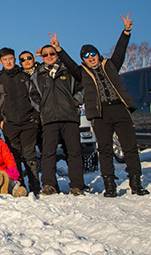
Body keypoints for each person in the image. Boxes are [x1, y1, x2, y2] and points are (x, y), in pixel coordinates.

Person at [50, 13, 148, 197]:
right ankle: (109, 185)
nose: (90, 57)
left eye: (92, 53)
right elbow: (70, 64)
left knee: (130, 147)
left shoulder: (110, 65)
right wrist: (59, 49)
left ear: (97, 54)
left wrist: (126, 31)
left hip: (119, 110)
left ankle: (136, 183)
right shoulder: (82, 73)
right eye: (86, 56)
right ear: (83, 60)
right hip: (99, 114)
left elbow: (120, 50)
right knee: (104, 150)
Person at [29, 45, 86, 195]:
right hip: (49, 119)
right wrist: (42, 108)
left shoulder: (68, 70)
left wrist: (76, 101)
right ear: (41, 57)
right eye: (45, 54)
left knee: (74, 152)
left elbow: (83, 86)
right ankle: (49, 184)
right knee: (48, 153)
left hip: (69, 117)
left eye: (52, 53)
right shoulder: (38, 74)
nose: (49, 56)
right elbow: (33, 94)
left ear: (57, 54)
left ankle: (77, 185)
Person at [0, 47, 40, 195]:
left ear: (14, 59)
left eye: (10, 59)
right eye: (5, 60)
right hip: (9, 123)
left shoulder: (24, 76)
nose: (8, 62)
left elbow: (34, 96)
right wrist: (0, 120)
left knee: (30, 154)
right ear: (0, 61)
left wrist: (36, 117)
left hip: (28, 122)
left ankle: (35, 186)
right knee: (14, 156)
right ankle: (20, 185)